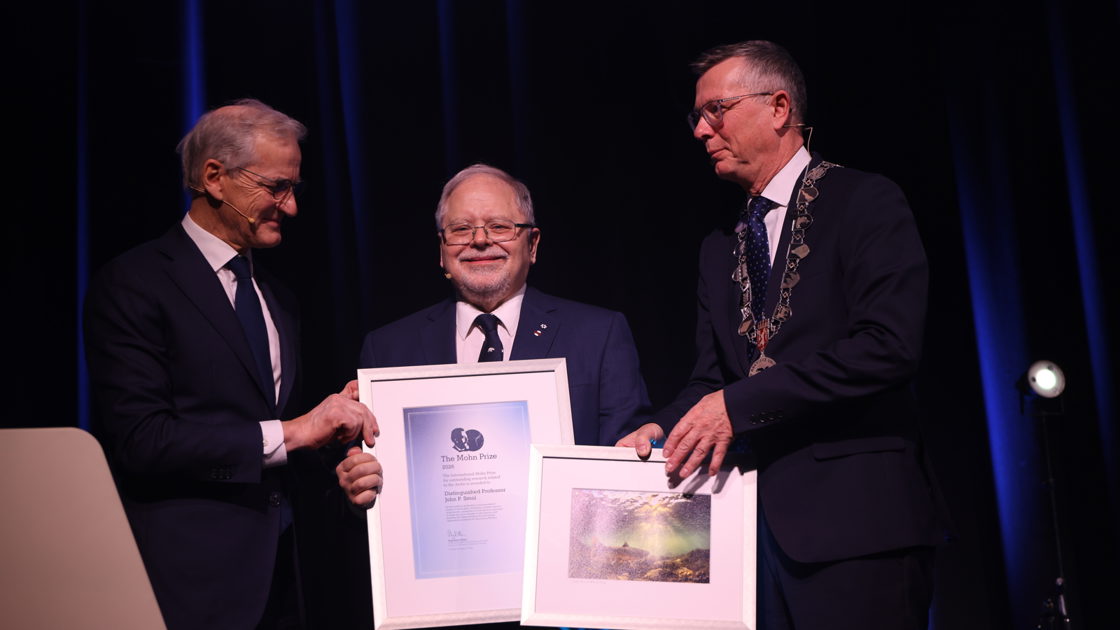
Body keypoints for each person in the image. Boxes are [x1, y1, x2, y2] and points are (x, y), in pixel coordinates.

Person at [617, 41, 945, 630]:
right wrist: (663, 427)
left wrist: (735, 408)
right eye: (695, 115)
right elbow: (710, 379)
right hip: (750, 540)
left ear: (778, 107)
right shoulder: (718, 246)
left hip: (858, 528)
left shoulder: (865, 199)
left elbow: (887, 347)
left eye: (715, 109)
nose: (700, 130)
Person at [84, 99, 381, 630]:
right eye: (275, 188)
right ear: (215, 178)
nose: (289, 207)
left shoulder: (278, 296)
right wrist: (293, 431)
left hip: (286, 579)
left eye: (294, 188)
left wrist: (336, 448)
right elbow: (142, 441)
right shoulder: (134, 284)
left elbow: (280, 437)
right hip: (188, 587)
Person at [333, 163, 652, 627]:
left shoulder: (599, 333)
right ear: (442, 253)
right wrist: (355, 482)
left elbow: (625, 459)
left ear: (533, 243)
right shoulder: (388, 348)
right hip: (438, 606)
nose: (480, 241)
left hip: (563, 607)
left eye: (500, 226)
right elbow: (370, 494)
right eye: (461, 229)